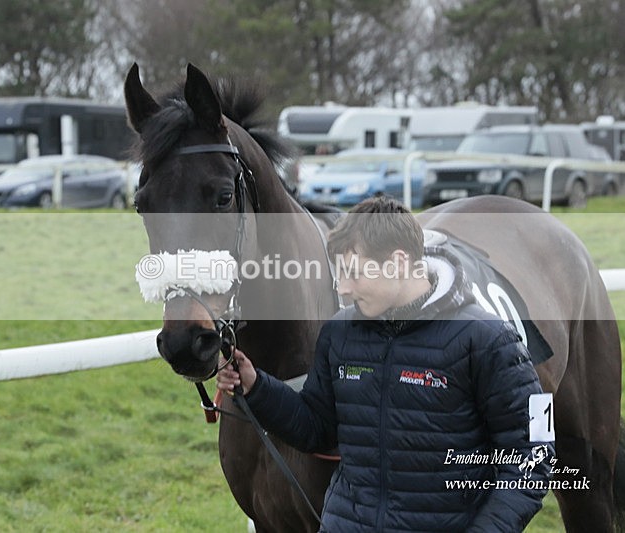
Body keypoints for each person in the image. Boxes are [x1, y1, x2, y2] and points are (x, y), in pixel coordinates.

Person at [216, 196, 553, 532]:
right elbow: (316, 428)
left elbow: (535, 456)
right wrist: (256, 386)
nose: (343, 288)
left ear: (398, 262)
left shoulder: (490, 340)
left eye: (354, 273)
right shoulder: (339, 333)